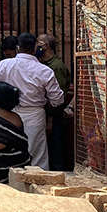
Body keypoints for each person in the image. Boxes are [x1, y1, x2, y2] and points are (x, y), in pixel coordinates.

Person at [0, 33, 63, 170]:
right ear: (35, 48)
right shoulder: (45, 71)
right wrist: (44, 102)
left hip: (8, 115)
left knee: (10, 151)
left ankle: (10, 186)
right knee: (36, 156)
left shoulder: (4, 65)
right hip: (35, 115)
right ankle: (37, 188)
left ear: (17, 48)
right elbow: (58, 99)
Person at [37, 33, 74, 172]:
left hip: (56, 119)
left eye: (38, 42)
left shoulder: (56, 67)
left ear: (45, 46)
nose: (35, 46)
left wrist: (50, 120)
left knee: (57, 154)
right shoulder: (44, 64)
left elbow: (59, 97)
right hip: (47, 116)